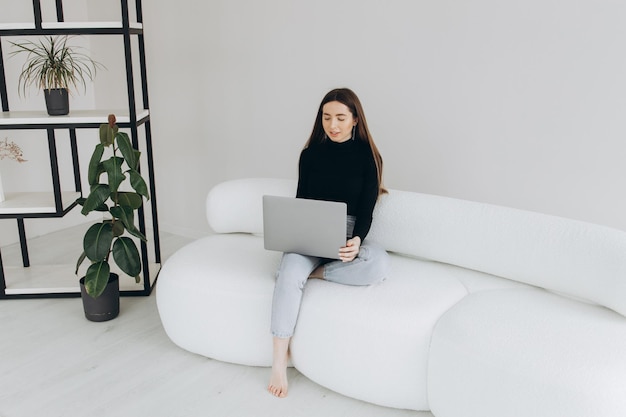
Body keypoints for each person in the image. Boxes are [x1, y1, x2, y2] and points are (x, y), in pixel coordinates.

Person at [268, 88, 391, 398]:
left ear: (354, 120)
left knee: (378, 263)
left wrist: (357, 240)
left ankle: (315, 274)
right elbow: (301, 202)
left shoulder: (368, 158)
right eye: (326, 117)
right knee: (289, 274)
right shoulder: (309, 155)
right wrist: (297, 235)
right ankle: (279, 361)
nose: (332, 125)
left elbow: (366, 211)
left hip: (346, 235)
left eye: (340, 117)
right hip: (309, 232)